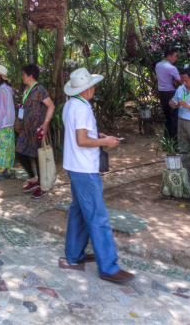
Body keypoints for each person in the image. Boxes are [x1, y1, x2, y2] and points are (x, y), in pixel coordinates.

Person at [61, 68, 135, 284]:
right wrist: (105, 141)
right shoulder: (82, 108)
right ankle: (108, 267)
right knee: (97, 216)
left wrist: (98, 135)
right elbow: (82, 140)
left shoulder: (70, 105)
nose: (94, 88)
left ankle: (74, 254)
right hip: (85, 168)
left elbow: (80, 134)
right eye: (92, 85)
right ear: (87, 89)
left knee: (78, 210)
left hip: (74, 166)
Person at [15, 63, 55, 199]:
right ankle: (33, 179)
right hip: (26, 130)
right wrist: (19, 122)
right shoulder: (27, 90)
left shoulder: (40, 89)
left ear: (30, 75)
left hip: (38, 130)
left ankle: (41, 186)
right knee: (19, 152)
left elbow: (51, 106)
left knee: (39, 157)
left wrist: (45, 124)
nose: (22, 77)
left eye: (23, 74)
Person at [156, 48, 183, 139]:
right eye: (175, 56)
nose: (176, 58)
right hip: (172, 94)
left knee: (168, 118)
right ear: (169, 56)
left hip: (162, 94)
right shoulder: (172, 68)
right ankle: (175, 142)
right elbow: (181, 82)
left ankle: (166, 141)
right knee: (174, 118)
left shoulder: (158, 65)